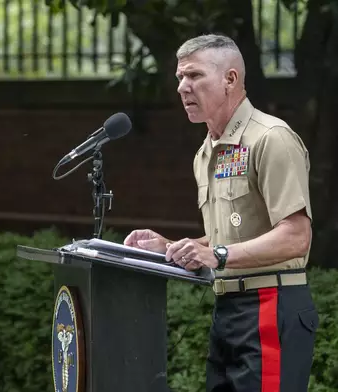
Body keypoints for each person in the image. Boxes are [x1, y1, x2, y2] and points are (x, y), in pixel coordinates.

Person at [124, 34, 318, 391]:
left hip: (270, 306)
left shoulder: (271, 137)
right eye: (180, 78)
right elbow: (228, 239)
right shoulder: (206, 151)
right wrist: (174, 247)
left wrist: (216, 254)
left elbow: (296, 235)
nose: (183, 87)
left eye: (195, 76)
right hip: (228, 309)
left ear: (230, 79)